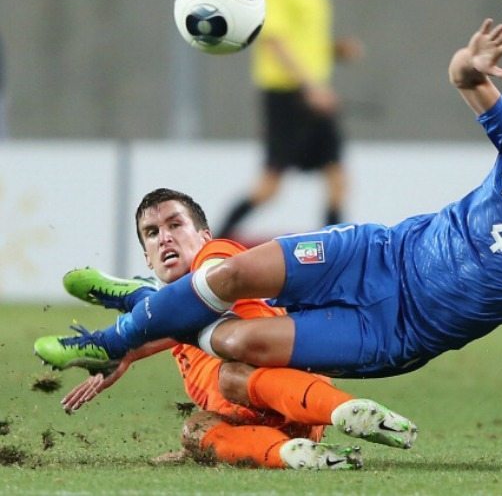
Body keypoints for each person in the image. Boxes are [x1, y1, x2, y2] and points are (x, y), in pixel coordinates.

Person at [36, 18, 502, 434]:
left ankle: (144, 308)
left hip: (395, 329)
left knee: (234, 344)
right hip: (377, 254)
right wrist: (469, 61)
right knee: (235, 272)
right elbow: (462, 78)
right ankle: (113, 338)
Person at [40, 188, 417, 470]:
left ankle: (349, 411)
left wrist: (126, 344)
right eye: (152, 233)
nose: (165, 237)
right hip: (266, 420)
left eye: (175, 225)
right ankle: (295, 456)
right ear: (146, 256)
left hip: (290, 392)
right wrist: (128, 353)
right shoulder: (168, 315)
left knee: (231, 374)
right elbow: (175, 320)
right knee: (195, 431)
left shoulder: (218, 260)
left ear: (203, 235)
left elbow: (195, 306)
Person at [217, 0, 363, 238]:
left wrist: (333, 50)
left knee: (338, 178)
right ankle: (209, 250)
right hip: (288, 95)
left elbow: (302, 40)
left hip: (313, 91)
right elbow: (275, 41)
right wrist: (311, 87)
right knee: (270, 185)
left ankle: (331, 262)